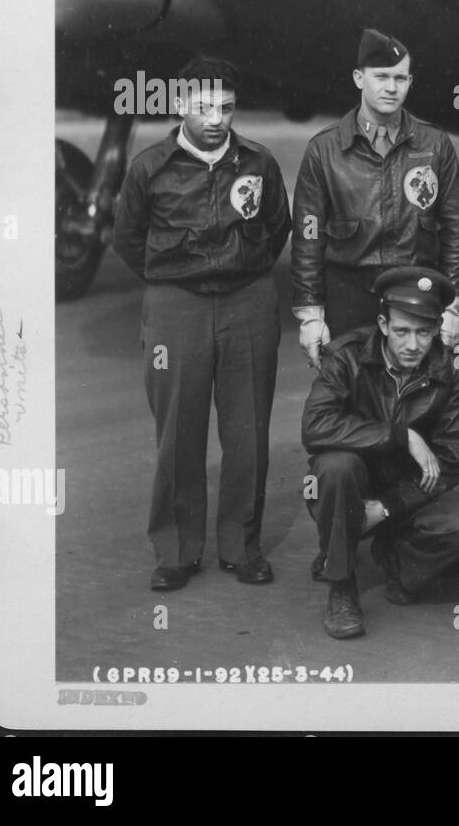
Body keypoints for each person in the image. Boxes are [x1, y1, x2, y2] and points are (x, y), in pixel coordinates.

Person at [113, 57, 289, 591]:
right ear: (179, 104)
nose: (215, 118)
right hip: (176, 305)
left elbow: (278, 226)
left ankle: (241, 545)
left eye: (226, 107)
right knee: (178, 433)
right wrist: (174, 277)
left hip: (248, 301)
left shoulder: (258, 162)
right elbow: (128, 238)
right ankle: (177, 549)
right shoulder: (150, 167)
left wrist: (243, 272)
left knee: (248, 431)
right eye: (203, 106)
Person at [301, 267, 459, 640]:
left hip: (407, 491)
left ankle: (391, 555)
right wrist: (400, 436)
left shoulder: (448, 369)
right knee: (336, 465)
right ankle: (341, 583)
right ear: (383, 324)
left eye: (423, 332)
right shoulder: (346, 355)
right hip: (347, 484)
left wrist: (387, 508)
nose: (413, 345)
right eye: (402, 331)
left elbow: (451, 461)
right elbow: (315, 426)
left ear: (437, 329)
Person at [291, 28, 459, 368]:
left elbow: (456, 228)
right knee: (349, 403)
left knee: (419, 403)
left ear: (410, 82)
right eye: (381, 77)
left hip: (418, 290)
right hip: (349, 294)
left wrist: (453, 306)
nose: (391, 87)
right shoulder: (325, 149)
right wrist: (310, 314)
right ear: (359, 78)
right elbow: (308, 236)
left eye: (400, 78)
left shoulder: (434, 145)